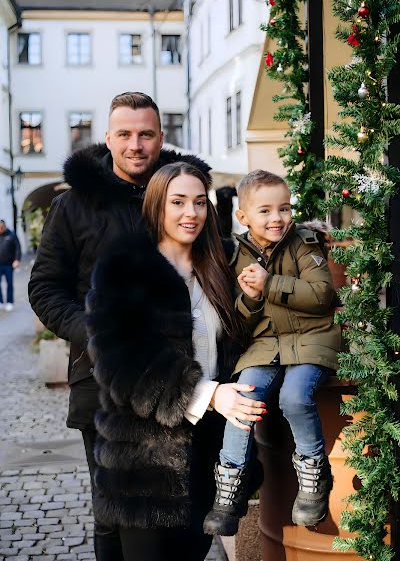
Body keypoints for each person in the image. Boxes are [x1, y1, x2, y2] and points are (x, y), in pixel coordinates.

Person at [28, 92, 229, 560]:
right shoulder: (74, 206)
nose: (135, 144)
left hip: (186, 379)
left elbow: (216, 268)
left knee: (186, 510)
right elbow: (45, 289)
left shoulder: (182, 194)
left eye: (145, 134)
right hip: (103, 382)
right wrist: (102, 336)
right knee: (115, 517)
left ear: (162, 137)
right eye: (125, 134)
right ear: (108, 137)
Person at [85, 162, 265, 561]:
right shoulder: (124, 267)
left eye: (200, 202)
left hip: (208, 451)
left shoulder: (222, 262)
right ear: (156, 206)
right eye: (178, 202)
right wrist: (209, 394)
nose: (192, 213)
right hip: (144, 460)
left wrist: (306, 240)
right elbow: (121, 366)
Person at [204, 169, 342, 535]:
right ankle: (229, 487)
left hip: (311, 340)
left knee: (295, 397)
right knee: (242, 396)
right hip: (264, 346)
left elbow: (322, 297)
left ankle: (314, 474)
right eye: (265, 211)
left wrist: (271, 284)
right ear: (243, 217)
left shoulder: (304, 243)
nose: (277, 218)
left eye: (283, 208)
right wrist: (249, 299)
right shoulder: (235, 255)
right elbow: (237, 323)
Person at [0, 219, 21, 311]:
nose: (0, 229)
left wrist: (17, 260)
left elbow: (17, 248)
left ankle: (10, 302)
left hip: (8, 265)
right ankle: (0, 302)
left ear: (4, 226)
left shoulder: (11, 235)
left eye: (1, 227)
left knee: (9, 284)